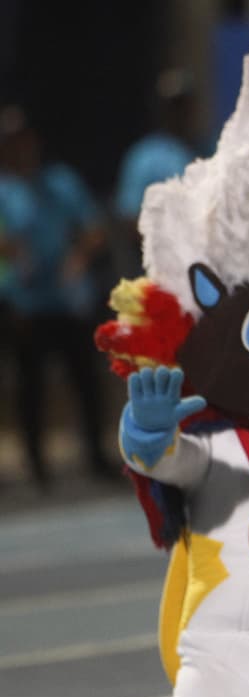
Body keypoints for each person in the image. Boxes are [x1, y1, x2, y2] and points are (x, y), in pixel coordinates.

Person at [0, 104, 113, 486]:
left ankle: (96, 455)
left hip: (65, 298)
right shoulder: (4, 191)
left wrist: (78, 257)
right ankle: (37, 465)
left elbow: (94, 227)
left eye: (23, 139)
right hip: (25, 301)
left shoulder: (60, 182)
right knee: (29, 384)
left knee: (85, 378)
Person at [113, 69, 202, 277]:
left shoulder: (209, 148)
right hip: (162, 266)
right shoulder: (144, 156)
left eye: (184, 105)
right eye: (173, 106)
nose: (180, 112)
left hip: (206, 264)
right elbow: (130, 217)